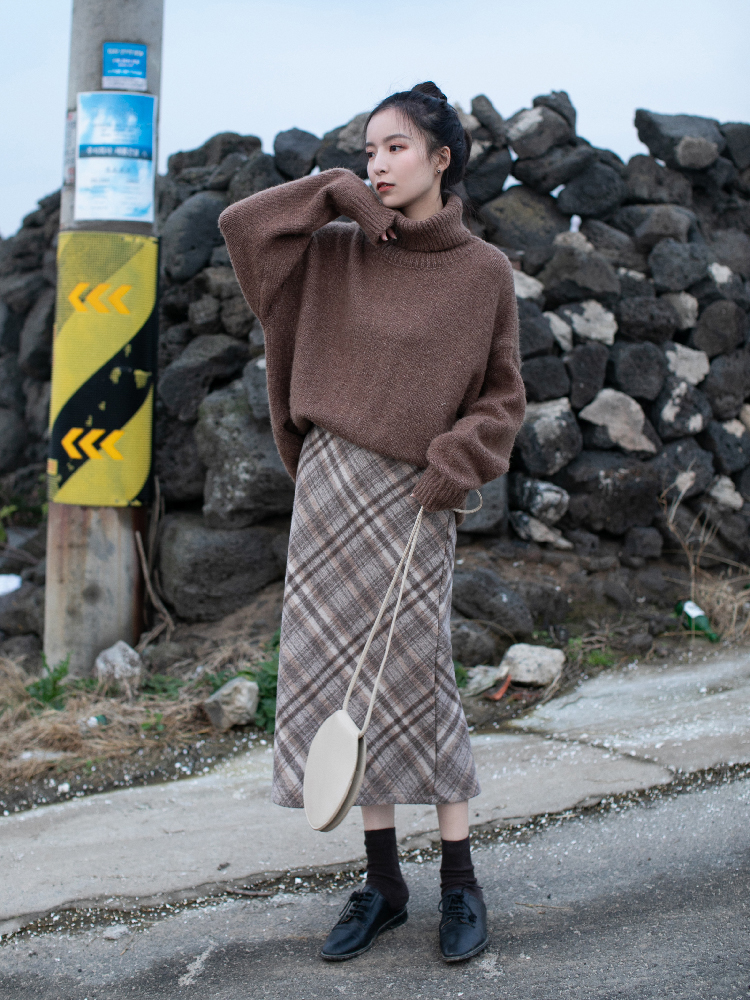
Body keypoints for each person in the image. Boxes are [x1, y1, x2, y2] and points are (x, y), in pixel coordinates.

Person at [219, 81, 525, 963]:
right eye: (369, 151)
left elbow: (502, 397)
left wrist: (457, 460)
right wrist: (331, 192)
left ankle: (459, 880)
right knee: (338, 686)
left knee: (417, 679)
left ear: (441, 158)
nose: (378, 164)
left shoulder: (482, 272)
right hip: (328, 488)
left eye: (396, 147)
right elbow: (243, 228)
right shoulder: (334, 251)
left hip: (418, 495)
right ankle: (383, 882)